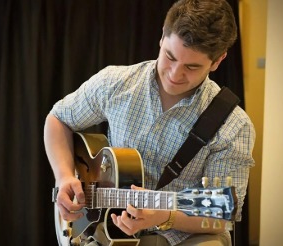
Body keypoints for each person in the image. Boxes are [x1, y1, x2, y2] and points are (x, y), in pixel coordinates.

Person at [44, 0, 255, 245]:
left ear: (217, 61)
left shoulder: (234, 125)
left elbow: (221, 214)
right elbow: (57, 119)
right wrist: (64, 178)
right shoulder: (115, 83)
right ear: (161, 38)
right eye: (170, 56)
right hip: (106, 228)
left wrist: (163, 216)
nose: (175, 74)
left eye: (192, 66)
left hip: (186, 235)